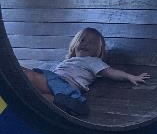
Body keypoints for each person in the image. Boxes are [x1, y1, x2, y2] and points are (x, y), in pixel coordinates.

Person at [19, 27, 150, 117]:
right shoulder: (67, 61)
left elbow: (111, 72)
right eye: (82, 40)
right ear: (75, 44)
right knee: (37, 98)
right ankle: (67, 104)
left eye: (91, 43)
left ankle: (69, 102)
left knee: (25, 75)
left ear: (98, 51)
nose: (85, 44)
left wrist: (130, 76)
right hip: (58, 87)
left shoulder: (93, 61)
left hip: (63, 84)